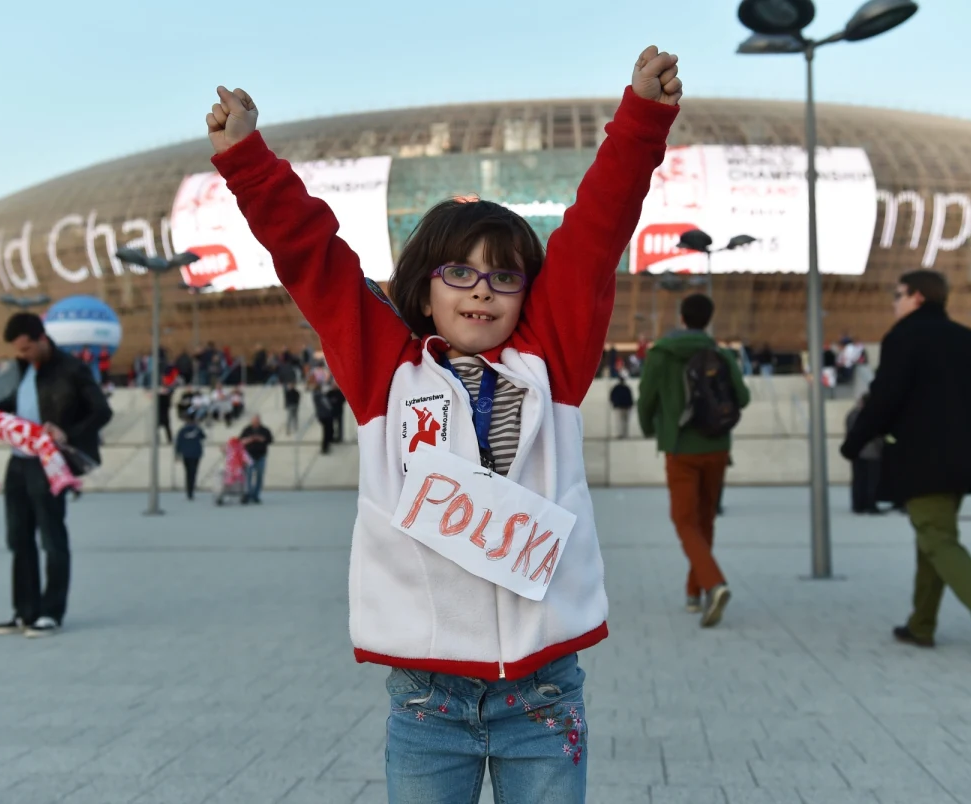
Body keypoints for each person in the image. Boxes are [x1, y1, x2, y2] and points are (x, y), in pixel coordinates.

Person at [204, 45, 681, 802]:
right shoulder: (384, 373)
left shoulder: (551, 363)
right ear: (424, 291)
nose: (481, 291)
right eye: (459, 272)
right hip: (428, 700)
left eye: (504, 275)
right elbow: (313, 260)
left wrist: (642, 121)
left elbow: (595, 235)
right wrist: (249, 163)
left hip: (542, 692)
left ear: (528, 294)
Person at [842, 270, 971, 670]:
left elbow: (884, 398)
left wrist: (854, 443)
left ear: (916, 296)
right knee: (934, 537)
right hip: (966, 458)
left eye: (897, 295)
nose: (894, 303)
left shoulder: (903, 337)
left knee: (938, 539)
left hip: (922, 458)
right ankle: (921, 624)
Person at [0, 313, 112, 638]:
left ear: (41, 339)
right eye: (18, 351)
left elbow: (102, 411)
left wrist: (68, 433)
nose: (22, 355)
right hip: (19, 463)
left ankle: (51, 613)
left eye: (26, 349)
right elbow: (20, 402)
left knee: (52, 538)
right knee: (18, 538)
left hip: (49, 463)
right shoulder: (25, 368)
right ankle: (24, 613)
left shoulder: (72, 369)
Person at [637, 294, 749, 626]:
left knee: (684, 520)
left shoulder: (661, 354)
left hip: (681, 447)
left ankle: (713, 584)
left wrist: (650, 428)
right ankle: (694, 592)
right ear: (708, 320)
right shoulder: (721, 354)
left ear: (682, 318)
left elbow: (646, 399)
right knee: (704, 520)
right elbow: (743, 397)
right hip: (718, 448)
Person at [845, 393, 883, 514]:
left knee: (858, 479)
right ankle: (870, 504)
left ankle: (858, 505)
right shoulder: (872, 416)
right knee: (871, 480)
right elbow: (877, 434)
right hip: (872, 453)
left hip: (858, 452)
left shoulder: (852, 415)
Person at [238, 414, 273, 504]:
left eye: (257, 420)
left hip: (261, 456)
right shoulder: (247, 430)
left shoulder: (265, 430)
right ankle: (248, 494)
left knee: (259, 476)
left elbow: (270, 440)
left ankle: (256, 495)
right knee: (248, 476)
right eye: (254, 420)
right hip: (249, 456)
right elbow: (240, 441)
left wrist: (262, 439)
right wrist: (250, 439)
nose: (256, 422)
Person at [174, 418, 207, 500]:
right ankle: (191, 490)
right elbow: (204, 437)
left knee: (188, 472)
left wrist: (177, 454)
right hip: (196, 454)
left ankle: (189, 491)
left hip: (186, 454)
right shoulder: (197, 429)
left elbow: (178, 442)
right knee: (194, 472)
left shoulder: (182, 430)